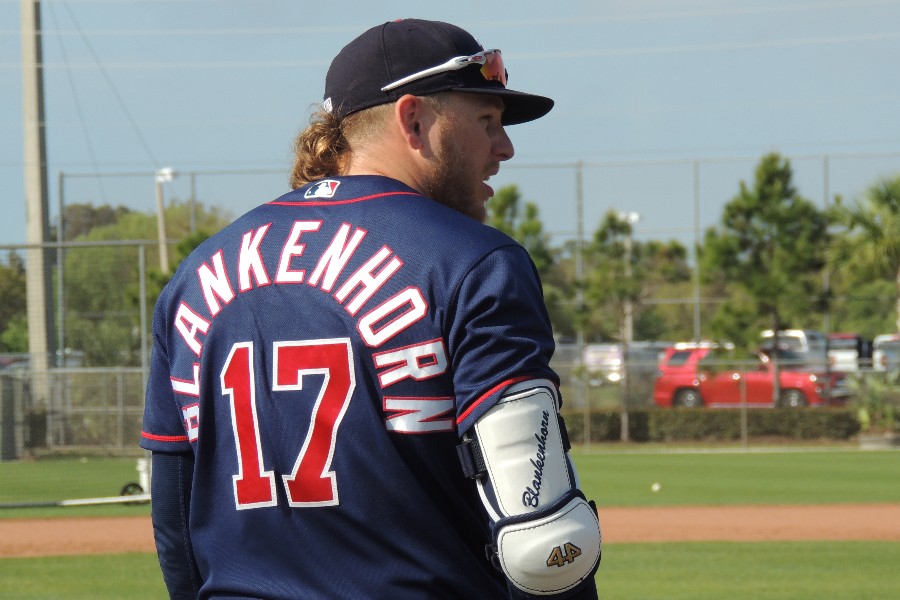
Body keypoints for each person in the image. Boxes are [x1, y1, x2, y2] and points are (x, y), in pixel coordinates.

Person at [141, 18, 601, 600]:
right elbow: (544, 537)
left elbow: (175, 511)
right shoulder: (475, 261)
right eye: (486, 121)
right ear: (414, 120)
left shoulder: (198, 271)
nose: (504, 147)